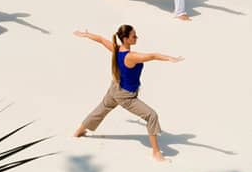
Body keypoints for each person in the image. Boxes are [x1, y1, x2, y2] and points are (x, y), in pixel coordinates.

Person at [72, 24, 183, 161]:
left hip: (115, 88)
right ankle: (156, 152)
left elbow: (100, 39)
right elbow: (152, 56)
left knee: (101, 109)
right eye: (134, 36)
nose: (136, 37)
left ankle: (79, 131)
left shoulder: (116, 48)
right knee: (151, 116)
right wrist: (170, 58)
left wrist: (86, 35)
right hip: (126, 96)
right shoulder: (132, 57)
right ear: (125, 39)